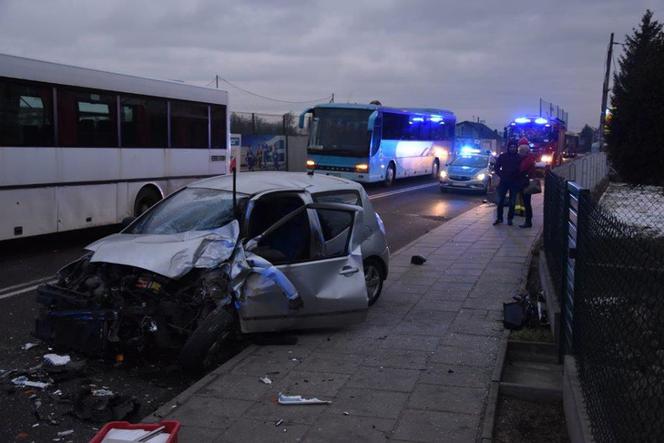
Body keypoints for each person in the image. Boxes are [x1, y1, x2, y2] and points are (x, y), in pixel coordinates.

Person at [493, 141, 522, 225]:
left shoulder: (518, 157)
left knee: (512, 202)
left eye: (514, 147)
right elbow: (496, 167)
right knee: (500, 201)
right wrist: (501, 175)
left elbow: (521, 169)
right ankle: (499, 218)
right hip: (504, 182)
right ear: (508, 148)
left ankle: (510, 219)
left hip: (514, 182)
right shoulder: (503, 156)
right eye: (511, 147)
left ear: (516, 148)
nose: (512, 148)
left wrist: (518, 176)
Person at [518, 143, 537, 228]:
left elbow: (522, 170)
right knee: (526, 203)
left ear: (524, 152)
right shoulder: (529, 158)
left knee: (527, 203)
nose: (518, 153)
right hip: (525, 183)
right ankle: (528, 221)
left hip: (526, 184)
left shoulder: (527, 160)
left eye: (520, 151)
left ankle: (528, 221)